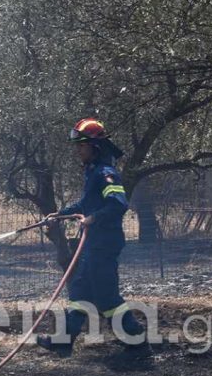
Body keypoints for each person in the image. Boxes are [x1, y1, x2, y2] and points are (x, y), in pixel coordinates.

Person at [37, 118, 146, 357]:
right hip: (93, 245)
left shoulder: (107, 173)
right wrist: (60, 214)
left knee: (107, 298)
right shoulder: (93, 172)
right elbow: (85, 203)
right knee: (80, 293)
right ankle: (64, 342)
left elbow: (118, 204)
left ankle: (138, 346)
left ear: (95, 147)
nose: (78, 150)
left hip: (105, 245)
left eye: (82, 146)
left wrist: (94, 218)